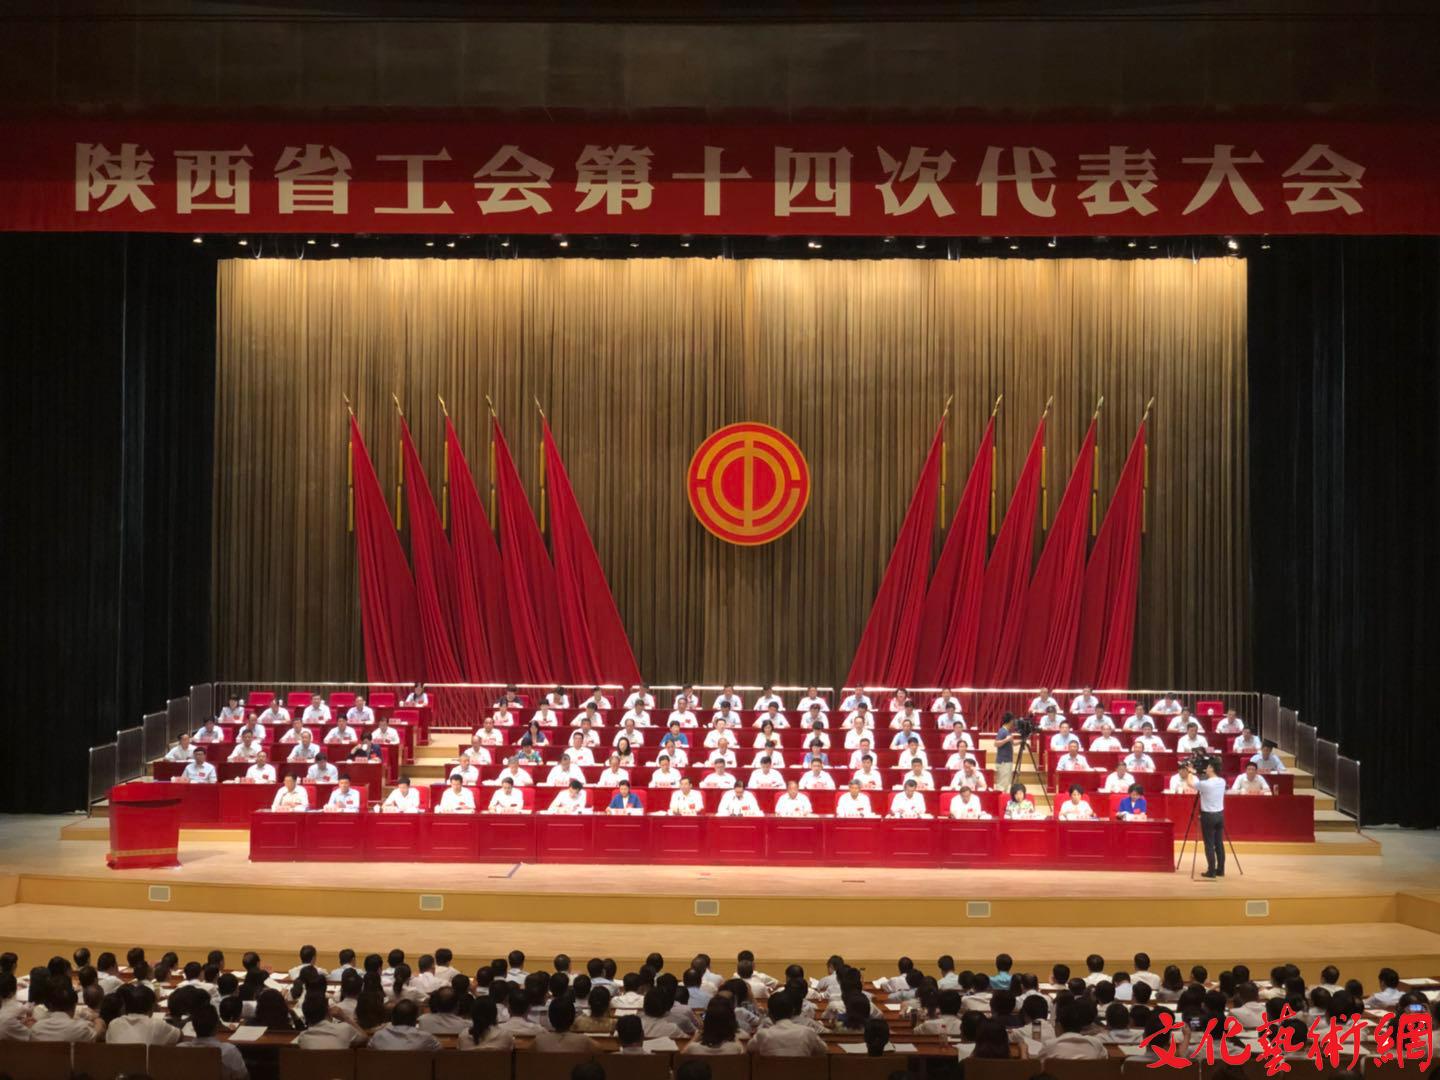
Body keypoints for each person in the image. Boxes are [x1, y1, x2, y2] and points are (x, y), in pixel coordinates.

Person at [749, 991, 826, 1055]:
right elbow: (824, 1050)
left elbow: (749, 1049)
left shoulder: (762, 1035)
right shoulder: (808, 1032)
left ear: (769, 1014)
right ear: (792, 1012)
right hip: (802, 1069)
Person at [1197, 760, 1227, 878]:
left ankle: (1211, 871)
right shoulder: (1222, 781)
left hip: (1208, 816)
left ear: (1212, 768)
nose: (1206, 769)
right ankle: (1220, 869)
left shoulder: (1205, 784)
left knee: (1209, 844)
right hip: (1219, 815)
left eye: (1208, 767)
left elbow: (1190, 783)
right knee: (1219, 843)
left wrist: (1190, 772)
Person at [993, 712, 1017, 792]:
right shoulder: (1002, 731)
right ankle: (1000, 798)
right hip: (1003, 762)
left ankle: (1003, 797)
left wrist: (1022, 741)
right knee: (1002, 784)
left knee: (1006, 783)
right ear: (1010, 721)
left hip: (1007, 761)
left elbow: (1012, 743)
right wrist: (1006, 739)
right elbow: (996, 743)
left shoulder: (1008, 731)